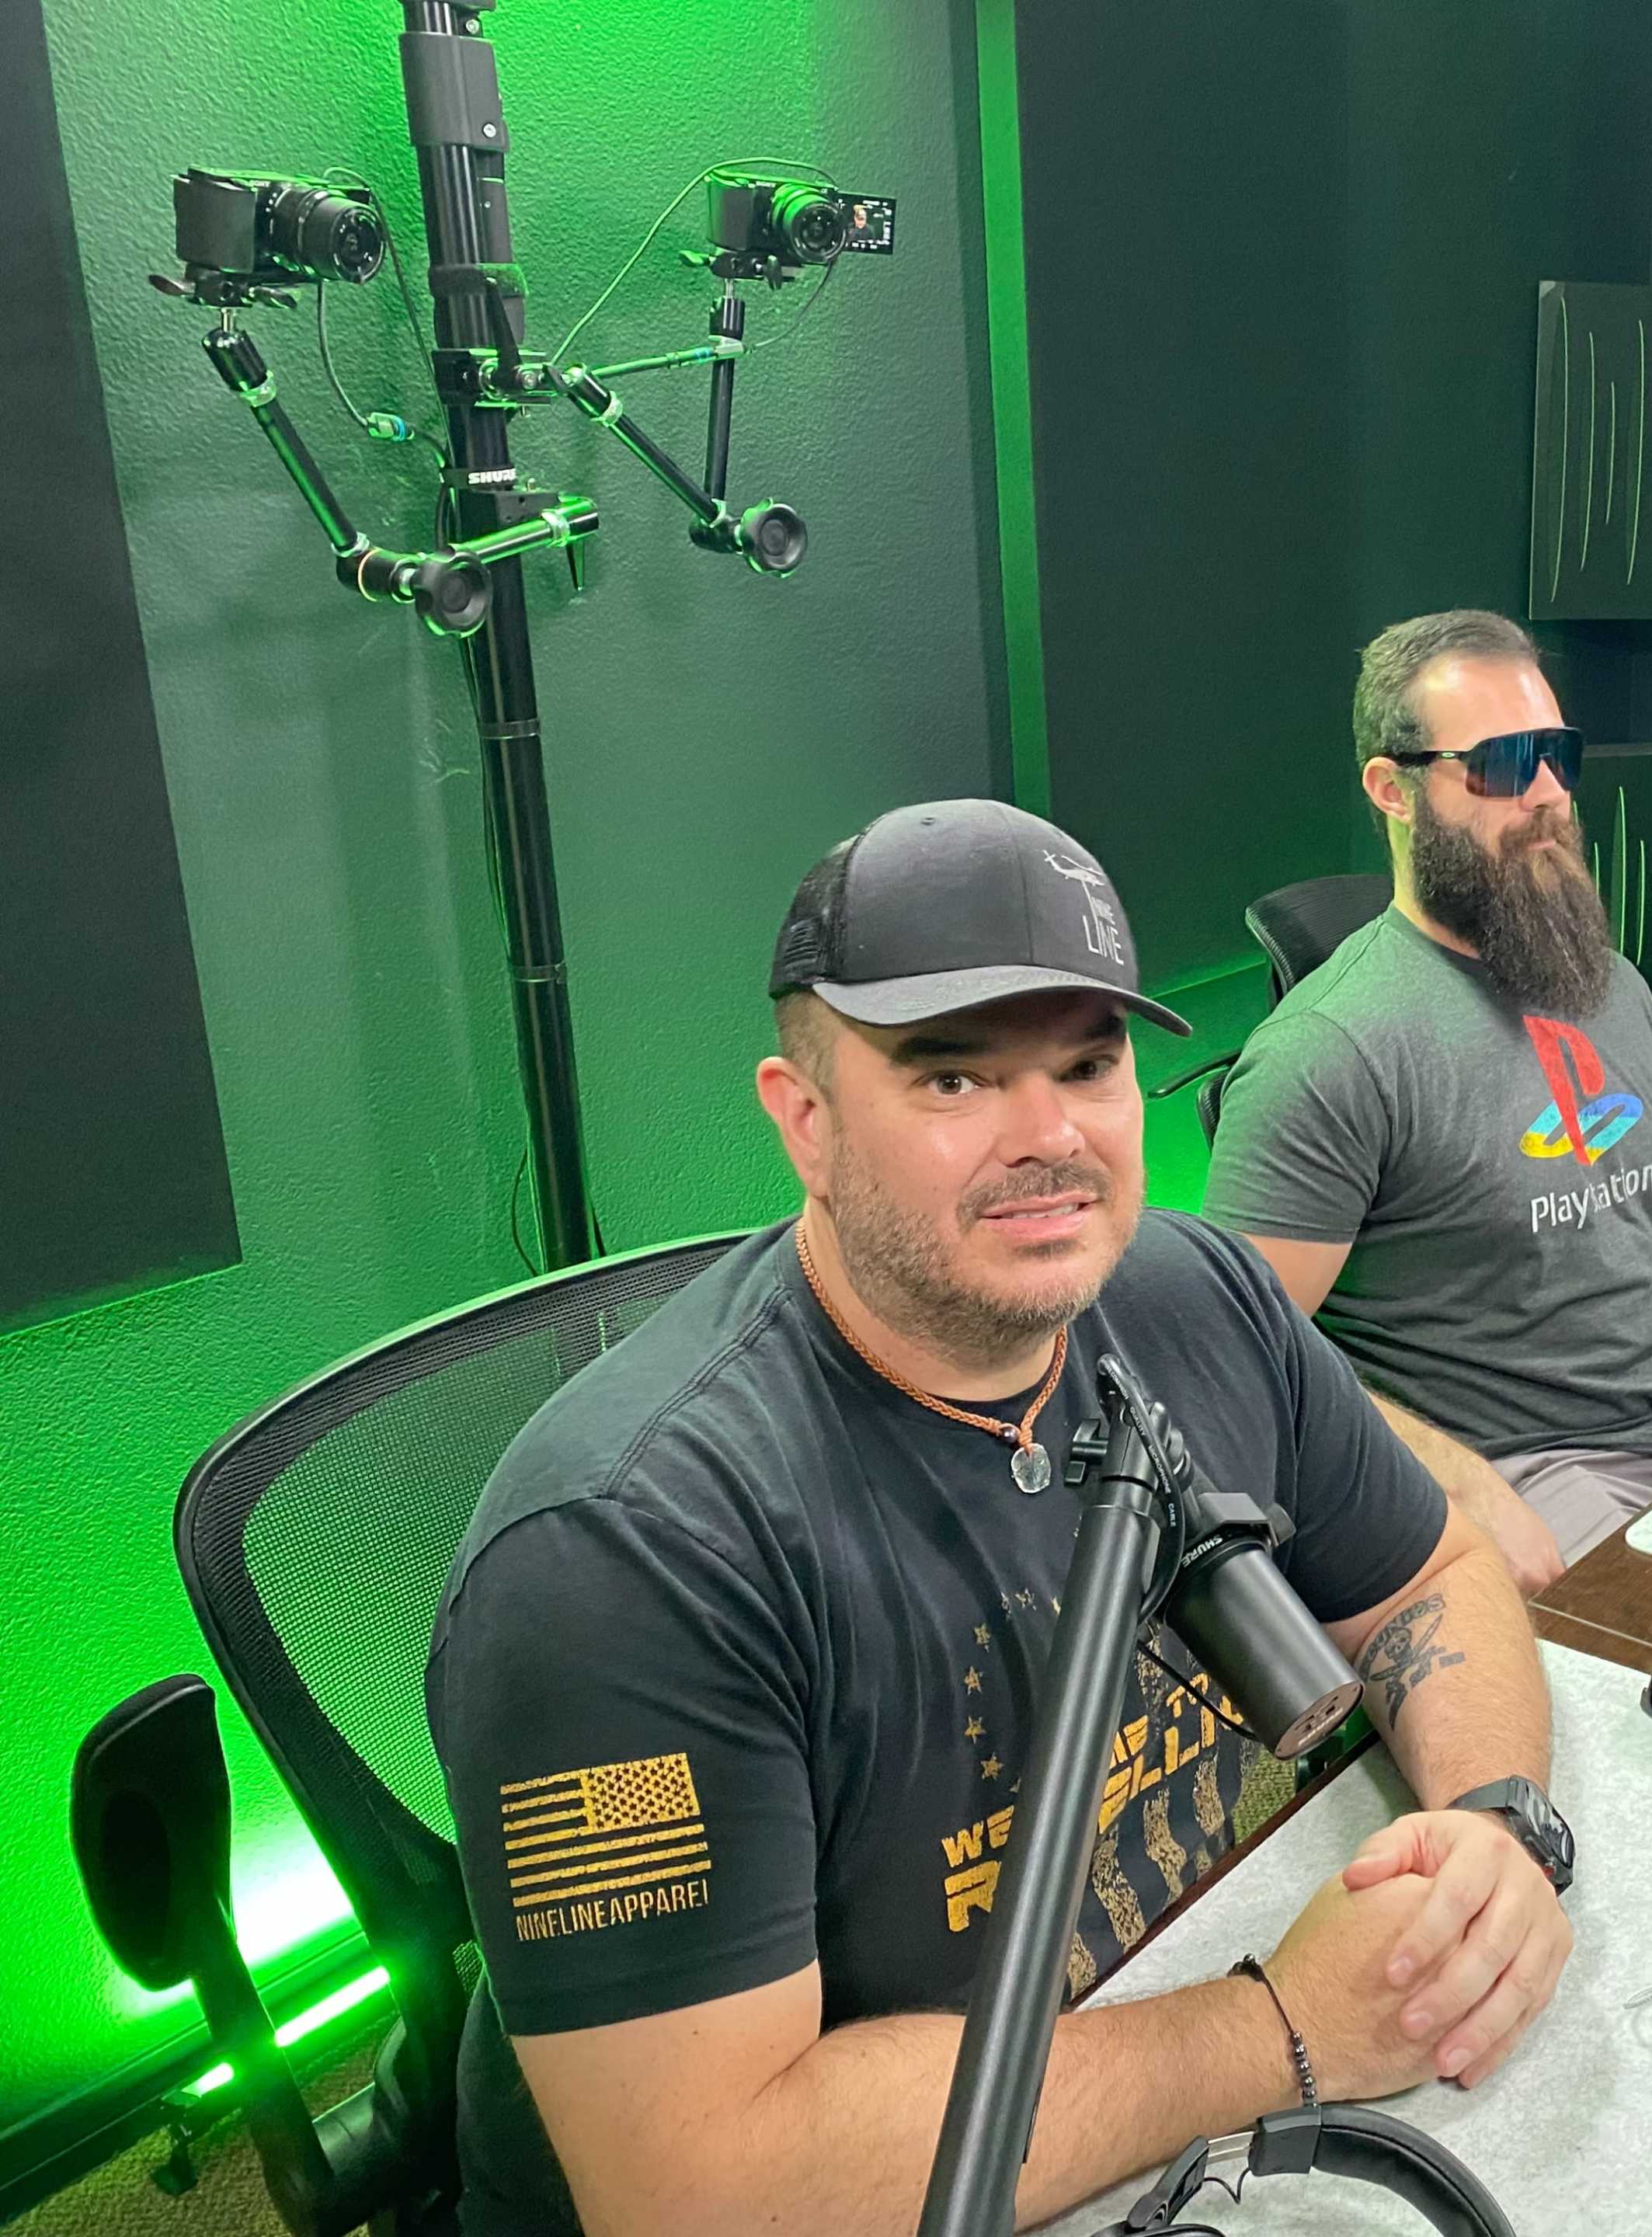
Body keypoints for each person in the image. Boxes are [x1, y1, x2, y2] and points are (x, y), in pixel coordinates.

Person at [426, 800, 1576, 2237]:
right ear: (806, 1121)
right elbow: (700, 2192)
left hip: (1142, 2060)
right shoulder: (617, 1561)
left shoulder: (1192, 1295)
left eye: (1089, 1062)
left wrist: (1495, 1828)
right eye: (954, 1080)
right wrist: (1276, 2030)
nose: (1050, 1138)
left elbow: (1433, 1574)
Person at [1202, 610, 1652, 1589]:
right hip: (1528, 1476)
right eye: (1505, 763)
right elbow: (1244, 1355)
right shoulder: (1328, 1054)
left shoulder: (1609, 983)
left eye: (1557, 754)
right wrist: (1457, 1488)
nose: (1549, 794)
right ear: (1395, 788)